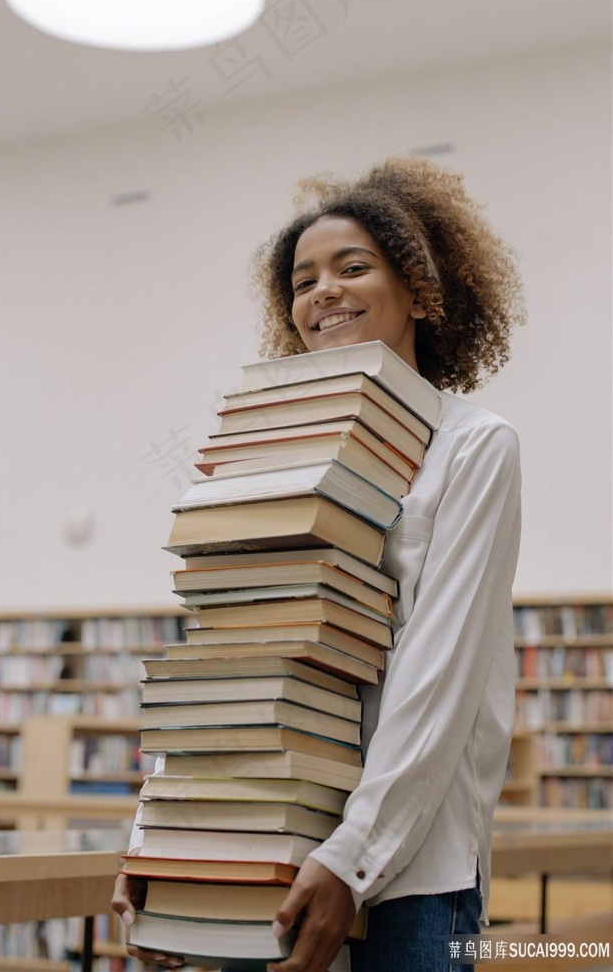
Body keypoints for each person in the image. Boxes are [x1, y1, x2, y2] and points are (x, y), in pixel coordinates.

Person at [112, 156, 526, 972]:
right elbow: (229, 653)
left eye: (352, 267)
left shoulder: (475, 447)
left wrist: (354, 856)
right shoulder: (272, 454)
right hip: (262, 836)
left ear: (417, 288)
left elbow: (438, 670)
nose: (322, 292)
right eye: (302, 281)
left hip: (414, 866)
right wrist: (156, 836)